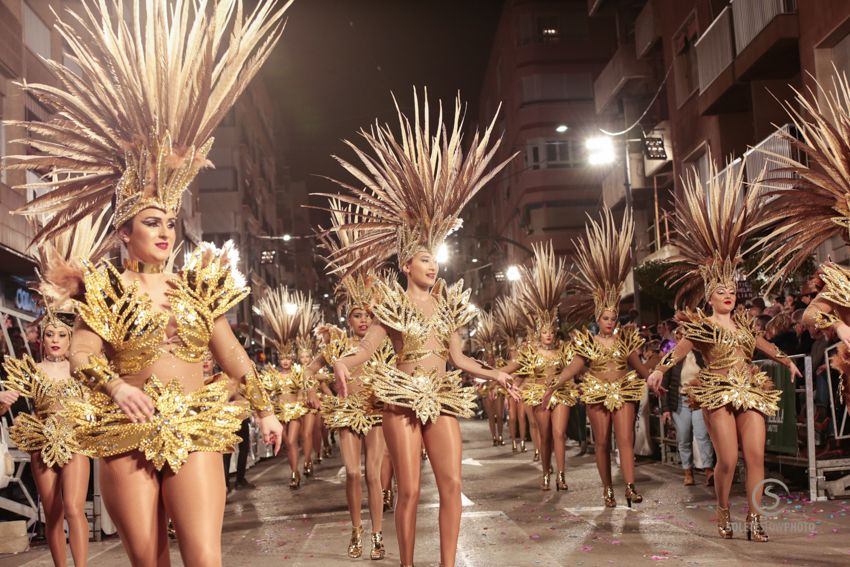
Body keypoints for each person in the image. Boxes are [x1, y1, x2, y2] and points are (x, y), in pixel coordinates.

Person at [4, 3, 288, 564]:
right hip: (126, 434)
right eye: (151, 222)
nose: (164, 232)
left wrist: (267, 408)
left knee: (205, 557)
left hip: (194, 428)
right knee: (147, 559)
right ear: (126, 232)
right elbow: (84, 352)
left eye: (169, 223)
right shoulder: (106, 290)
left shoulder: (196, 289)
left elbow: (233, 356)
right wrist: (118, 388)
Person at [325, 90, 518, 567]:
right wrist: (339, 362)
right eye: (425, 259)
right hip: (400, 399)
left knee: (452, 484)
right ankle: (408, 562)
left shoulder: (448, 305)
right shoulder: (389, 306)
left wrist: (495, 375)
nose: (434, 265)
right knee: (408, 490)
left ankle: (448, 563)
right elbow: (366, 351)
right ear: (407, 264)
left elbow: (458, 358)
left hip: (443, 395)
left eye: (436, 258)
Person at [647, 156, 799, 542]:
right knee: (728, 460)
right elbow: (677, 350)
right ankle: (723, 508)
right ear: (710, 296)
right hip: (716, 390)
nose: (728, 297)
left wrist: (785, 361)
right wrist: (659, 370)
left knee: (757, 457)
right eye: (721, 292)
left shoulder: (746, 323)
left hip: (750, 388)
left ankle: (755, 518)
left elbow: (762, 343)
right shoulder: (702, 326)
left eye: (732, 292)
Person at [302, 206, 391, 560]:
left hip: (377, 410)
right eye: (358, 315)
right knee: (353, 473)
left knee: (374, 475)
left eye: (369, 316)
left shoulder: (383, 342)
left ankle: (378, 535)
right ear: (348, 317)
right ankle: (356, 532)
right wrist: (310, 389)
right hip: (345, 413)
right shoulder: (336, 345)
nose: (363, 321)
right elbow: (309, 369)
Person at [545, 208, 648, 508]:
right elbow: (576, 366)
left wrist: (658, 371)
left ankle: (629, 486)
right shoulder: (587, 341)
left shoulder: (626, 338)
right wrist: (556, 382)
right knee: (602, 443)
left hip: (623, 390)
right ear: (597, 317)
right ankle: (607, 488)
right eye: (605, 317)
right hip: (596, 392)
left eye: (614, 316)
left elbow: (640, 368)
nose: (610, 321)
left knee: (625, 439)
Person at [501, 242, 575, 490]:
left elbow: (576, 368)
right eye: (544, 332)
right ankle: (546, 471)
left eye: (552, 331)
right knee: (544, 437)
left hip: (561, 394)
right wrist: (493, 376)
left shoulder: (564, 350)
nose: (549, 335)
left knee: (559, 434)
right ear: (538, 333)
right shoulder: (529, 353)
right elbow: (512, 367)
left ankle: (561, 475)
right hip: (538, 395)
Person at [256, 288, 318, 490]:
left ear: (292, 358)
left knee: (292, 440)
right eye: (282, 358)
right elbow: (266, 392)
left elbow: (307, 386)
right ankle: (296, 471)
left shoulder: (299, 372)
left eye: (288, 357)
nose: (285, 361)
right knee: (289, 444)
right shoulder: (273, 375)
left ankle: (298, 469)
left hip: (297, 411)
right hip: (280, 412)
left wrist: (303, 400)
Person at [660, 349, 715, 486]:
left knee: (702, 435)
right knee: (684, 437)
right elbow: (664, 386)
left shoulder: (701, 354)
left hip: (699, 399)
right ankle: (688, 471)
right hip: (680, 400)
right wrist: (665, 409)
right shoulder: (673, 356)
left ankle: (709, 470)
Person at [493, 297, 528, 453]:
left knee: (522, 417)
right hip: (509, 392)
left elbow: (527, 374)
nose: (513, 350)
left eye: (515, 348)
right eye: (511, 348)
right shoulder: (505, 363)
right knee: (512, 417)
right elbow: (499, 375)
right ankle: (513, 441)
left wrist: (521, 385)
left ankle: (522, 442)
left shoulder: (522, 360)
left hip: (521, 390)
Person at [471, 311, 506, 447]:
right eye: (488, 355)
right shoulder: (482, 365)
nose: (490, 358)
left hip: (498, 390)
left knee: (500, 415)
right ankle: (494, 437)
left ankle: (501, 435)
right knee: (491, 416)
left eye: (492, 355)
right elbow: (478, 378)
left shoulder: (500, 363)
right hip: (486, 391)